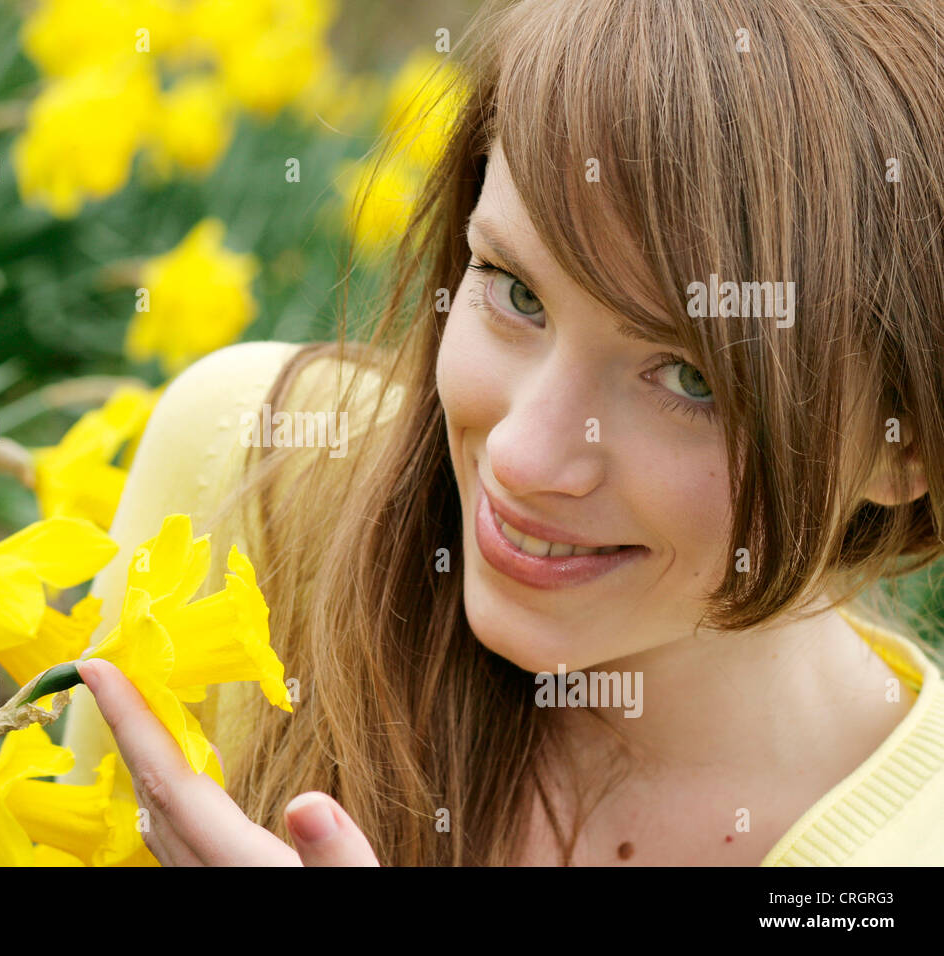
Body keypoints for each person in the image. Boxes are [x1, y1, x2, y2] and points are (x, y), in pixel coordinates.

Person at [64, 0, 944, 865]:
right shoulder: (250, 466)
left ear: (904, 444)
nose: (522, 460)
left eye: (691, 380)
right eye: (517, 292)